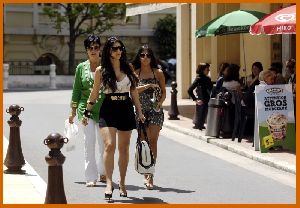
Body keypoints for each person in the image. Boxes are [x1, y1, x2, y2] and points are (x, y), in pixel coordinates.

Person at [84, 37, 145, 199]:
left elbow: (134, 93)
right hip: (108, 108)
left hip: (125, 108)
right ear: (108, 52)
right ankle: (109, 183)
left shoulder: (128, 68)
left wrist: (139, 112)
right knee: (109, 145)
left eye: (121, 48)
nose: (119, 51)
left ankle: (123, 183)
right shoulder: (101, 71)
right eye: (115, 49)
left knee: (124, 149)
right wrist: (87, 112)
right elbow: (95, 93)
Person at [68, 34, 106, 187]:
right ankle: (91, 176)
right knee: (89, 142)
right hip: (86, 110)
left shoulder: (106, 66)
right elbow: (76, 90)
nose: (93, 50)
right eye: (90, 48)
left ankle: (102, 171)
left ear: (100, 49)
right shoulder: (80, 68)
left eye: (96, 47)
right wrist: (72, 112)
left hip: (104, 109)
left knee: (104, 144)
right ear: (86, 50)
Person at [131, 45, 166, 190]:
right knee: (142, 141)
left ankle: (150, 175)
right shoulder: (135, 72)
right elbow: (132, 91)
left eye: (148, 55)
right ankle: (144, 168)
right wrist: (148, 86)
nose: (145, 58)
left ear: (152, 57)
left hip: (156, 111)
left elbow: (163, 92)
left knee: (153, 142)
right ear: (139, 57)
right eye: (142, 55)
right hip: (141, 111)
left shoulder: (158, 73)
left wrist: (159, 103)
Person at [187, 63, 213, 130]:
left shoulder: (205, 78)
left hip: (205, 100)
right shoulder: (199, 78)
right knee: (201, 117)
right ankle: (199, 126)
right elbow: (189, 90)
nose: (209, 71)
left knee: (202, 117)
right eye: (207, 69)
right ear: (202, 70)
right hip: (202, 100)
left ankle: (200, 125)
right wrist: (195, 100)